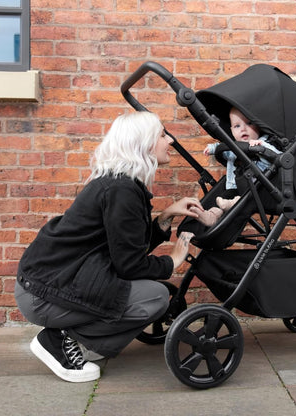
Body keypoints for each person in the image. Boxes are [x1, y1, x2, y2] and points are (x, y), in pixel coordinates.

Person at [14, 112, 204, 383]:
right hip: (45, 293)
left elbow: (123, 247)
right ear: (144, 143)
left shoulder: (119, 185)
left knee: (149, 294)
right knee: (155, 297)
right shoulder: (122, 191)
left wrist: (164, 217)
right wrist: (171, 261)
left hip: (48, 283)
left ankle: (73, 340)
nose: (170, 140)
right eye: (162, 134)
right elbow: (129, 265)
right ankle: (60, 342)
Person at [190, 107, 281, 226]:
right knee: (221, 199)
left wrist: (262, 147)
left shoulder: (265, 142)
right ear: (231, 130)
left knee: (240, 201)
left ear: (259, 126)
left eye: (249, 123)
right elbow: (222, 147)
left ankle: (232, 204)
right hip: (233, 186)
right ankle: (211, 216)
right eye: (237, 126)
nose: (243, 129)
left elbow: (278, 157)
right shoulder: (233, 146)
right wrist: (212, 148)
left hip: (256, 189)